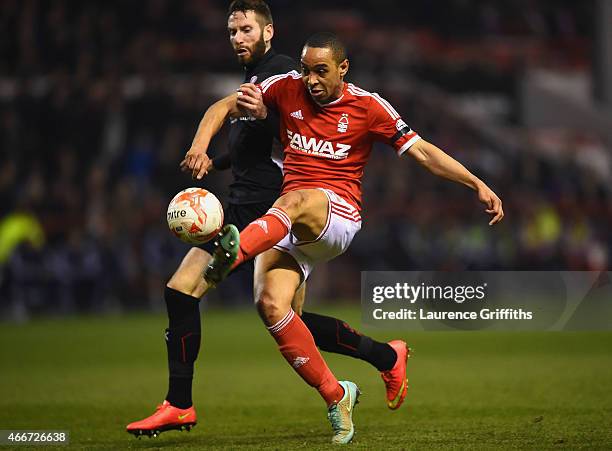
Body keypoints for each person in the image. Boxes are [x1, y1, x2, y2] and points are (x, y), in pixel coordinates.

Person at [194, 32, 504, 444]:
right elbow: (225, 104)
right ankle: (343, 390)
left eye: (320, 71)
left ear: (343, 68)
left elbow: (424, 153)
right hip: (286, 222)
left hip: (336, 214)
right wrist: (204, 144)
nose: (310, 79)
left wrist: (476, 183)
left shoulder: (368, 106)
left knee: (294, 200)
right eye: (305, 70)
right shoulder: (284, 88)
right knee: (274, 309)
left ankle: (230, 256)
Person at [126, 1, 410, 440]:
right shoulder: (259, 78)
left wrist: (203, 146)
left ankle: (180, 403)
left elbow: (230, 112)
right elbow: (248, 140)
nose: (238, 38)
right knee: (285, 316)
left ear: (268, 32)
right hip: (257, 204)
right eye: (232, 31)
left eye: (245, 29)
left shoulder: (280, 72)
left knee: (185, 292)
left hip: (271, 206)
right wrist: (215, 160)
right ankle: (385, 360)